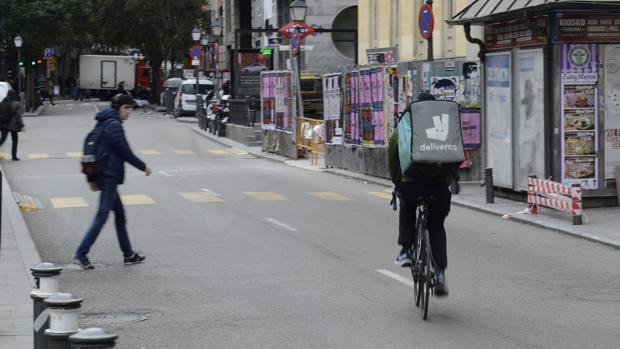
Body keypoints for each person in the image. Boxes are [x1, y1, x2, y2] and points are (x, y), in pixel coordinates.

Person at [74, 94, 152, 270]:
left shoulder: (103, 121)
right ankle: (81, 253)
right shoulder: (114, 125)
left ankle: (128, 254)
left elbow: (92, 151)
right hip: (109, 175)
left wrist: (92, 178)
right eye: (126, 108)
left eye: (130, 108)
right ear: (118, 108)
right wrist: (143, 167)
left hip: (103, 175)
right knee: (102, 215)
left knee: (120, 215)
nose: (129, 112)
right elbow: (125, 151)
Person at [387, 92, 451, 296]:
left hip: (412, 185)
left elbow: (393, 153)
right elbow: (454, 154)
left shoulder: (406, 123)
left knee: (407, 207)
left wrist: (398, 183)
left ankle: (406, 251)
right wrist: (447, 182)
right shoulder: (445, 122)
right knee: (436, 226)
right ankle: (440, 272)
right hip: (439, 189)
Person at [0, 90, 25, 161]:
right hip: (13, 124)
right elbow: (18, 116)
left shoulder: (2, 102)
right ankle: (14, 156)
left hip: (3, 123)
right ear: (14, 95)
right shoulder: (15, 104)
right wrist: (22, 125)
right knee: (15, 140)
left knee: (2, 139)